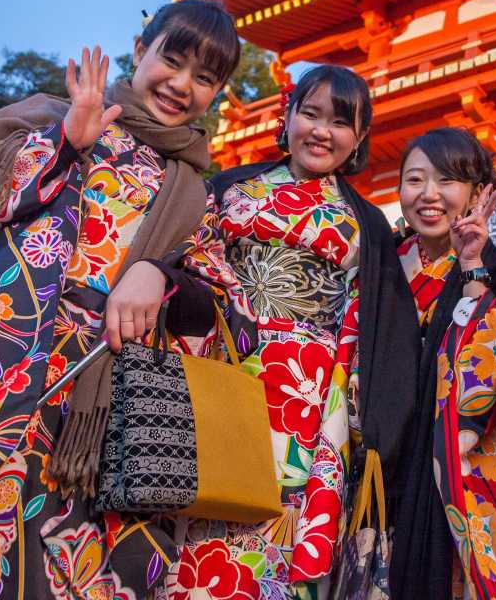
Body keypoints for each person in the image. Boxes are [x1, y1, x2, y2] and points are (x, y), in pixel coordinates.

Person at [0, 0, 242, 599]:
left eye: (205, 78)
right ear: (140, 51)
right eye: (173, 61)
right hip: (13, 356)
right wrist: (66, 143)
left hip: (103, 407)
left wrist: (161, 273)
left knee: (67, 570)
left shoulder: (195, 193)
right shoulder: (58, 116)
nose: (182, 85)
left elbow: (217, 307)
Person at [152, 65, 420, 600]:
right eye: (311, 114)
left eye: (341, 123)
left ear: (361, 137)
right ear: (288, 116)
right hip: (221, 369)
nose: (322, 132)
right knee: (193, 519)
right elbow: (187, 260)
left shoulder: (368, 224)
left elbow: (375, 329)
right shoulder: (228, 187)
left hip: (308, 394)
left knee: (276, 532)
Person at [389, 127, 496, 600]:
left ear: (476, 193)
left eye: (446, 181)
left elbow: (492, 359)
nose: (428, 195)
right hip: (381, 465)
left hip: (462, 459)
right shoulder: (379, 263)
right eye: (414, 180)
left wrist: (472, 268)